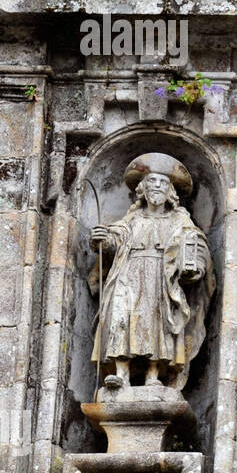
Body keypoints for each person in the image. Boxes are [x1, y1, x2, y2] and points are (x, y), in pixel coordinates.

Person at [89, 153, 214, 390]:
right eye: (152, 182)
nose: (157, 186)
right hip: (128, 275)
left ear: (170, 191)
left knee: (158, 323)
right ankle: (121, 373)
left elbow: (197, 247)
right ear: (143, 189)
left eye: (163, 182)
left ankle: (153, 375)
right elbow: (113, 242)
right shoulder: (131, 220)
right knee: (121, 319)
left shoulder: (180, 221)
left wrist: (194, 266)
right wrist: (101, 240)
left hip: (160, 278)